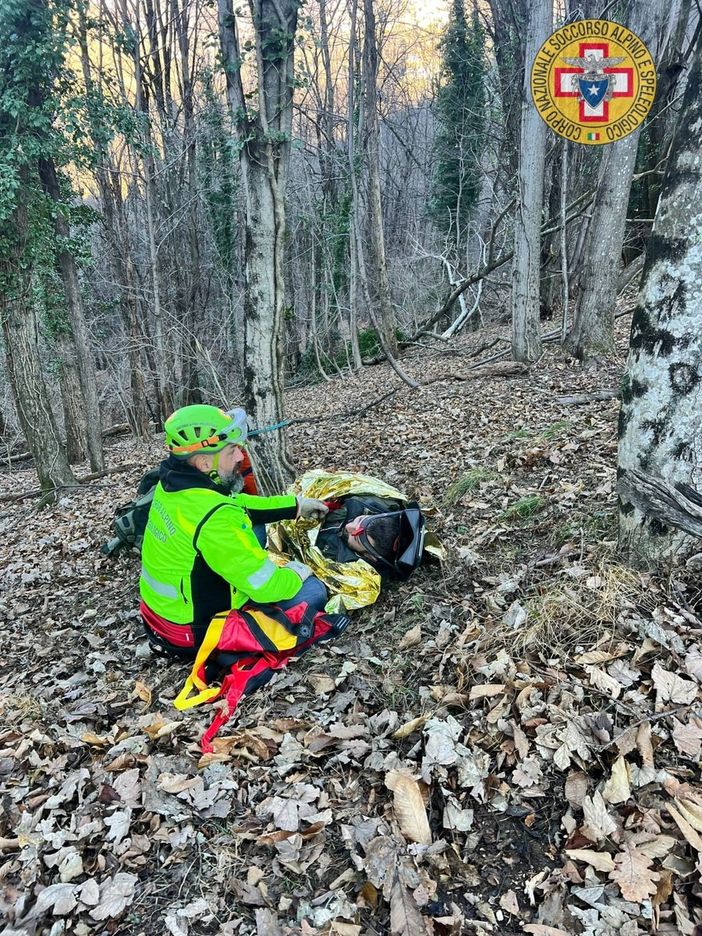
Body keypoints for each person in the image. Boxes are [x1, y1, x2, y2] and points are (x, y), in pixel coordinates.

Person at [139, 404, 333, 660]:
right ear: (204, 462)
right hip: (195, 632)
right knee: (313, 590)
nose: (241, 457)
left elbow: (237, 505)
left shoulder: (172, 484)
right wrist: (297, 571)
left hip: (163, 615)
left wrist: (295, 506)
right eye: (231, 451)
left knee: (254, 526)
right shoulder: (216, 518)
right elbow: (269, 589)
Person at [315, 492, 425, 579]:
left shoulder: (342, 567)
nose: (349, 526)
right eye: (359, 520)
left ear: (369, 556)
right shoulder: (368, 502)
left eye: (356, 537)